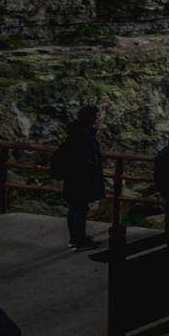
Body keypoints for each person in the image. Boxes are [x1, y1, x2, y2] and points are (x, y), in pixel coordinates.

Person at [53, 105, 105, 250]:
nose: (99, 118)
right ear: (91, 118)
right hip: (81, 178)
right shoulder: (84, 135)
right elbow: (86, 158)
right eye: (97, 115)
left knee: (74, 208)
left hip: (73, 177)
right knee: (80, 209)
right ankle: (79, 241)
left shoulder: (76, 132)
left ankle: (75, 238)